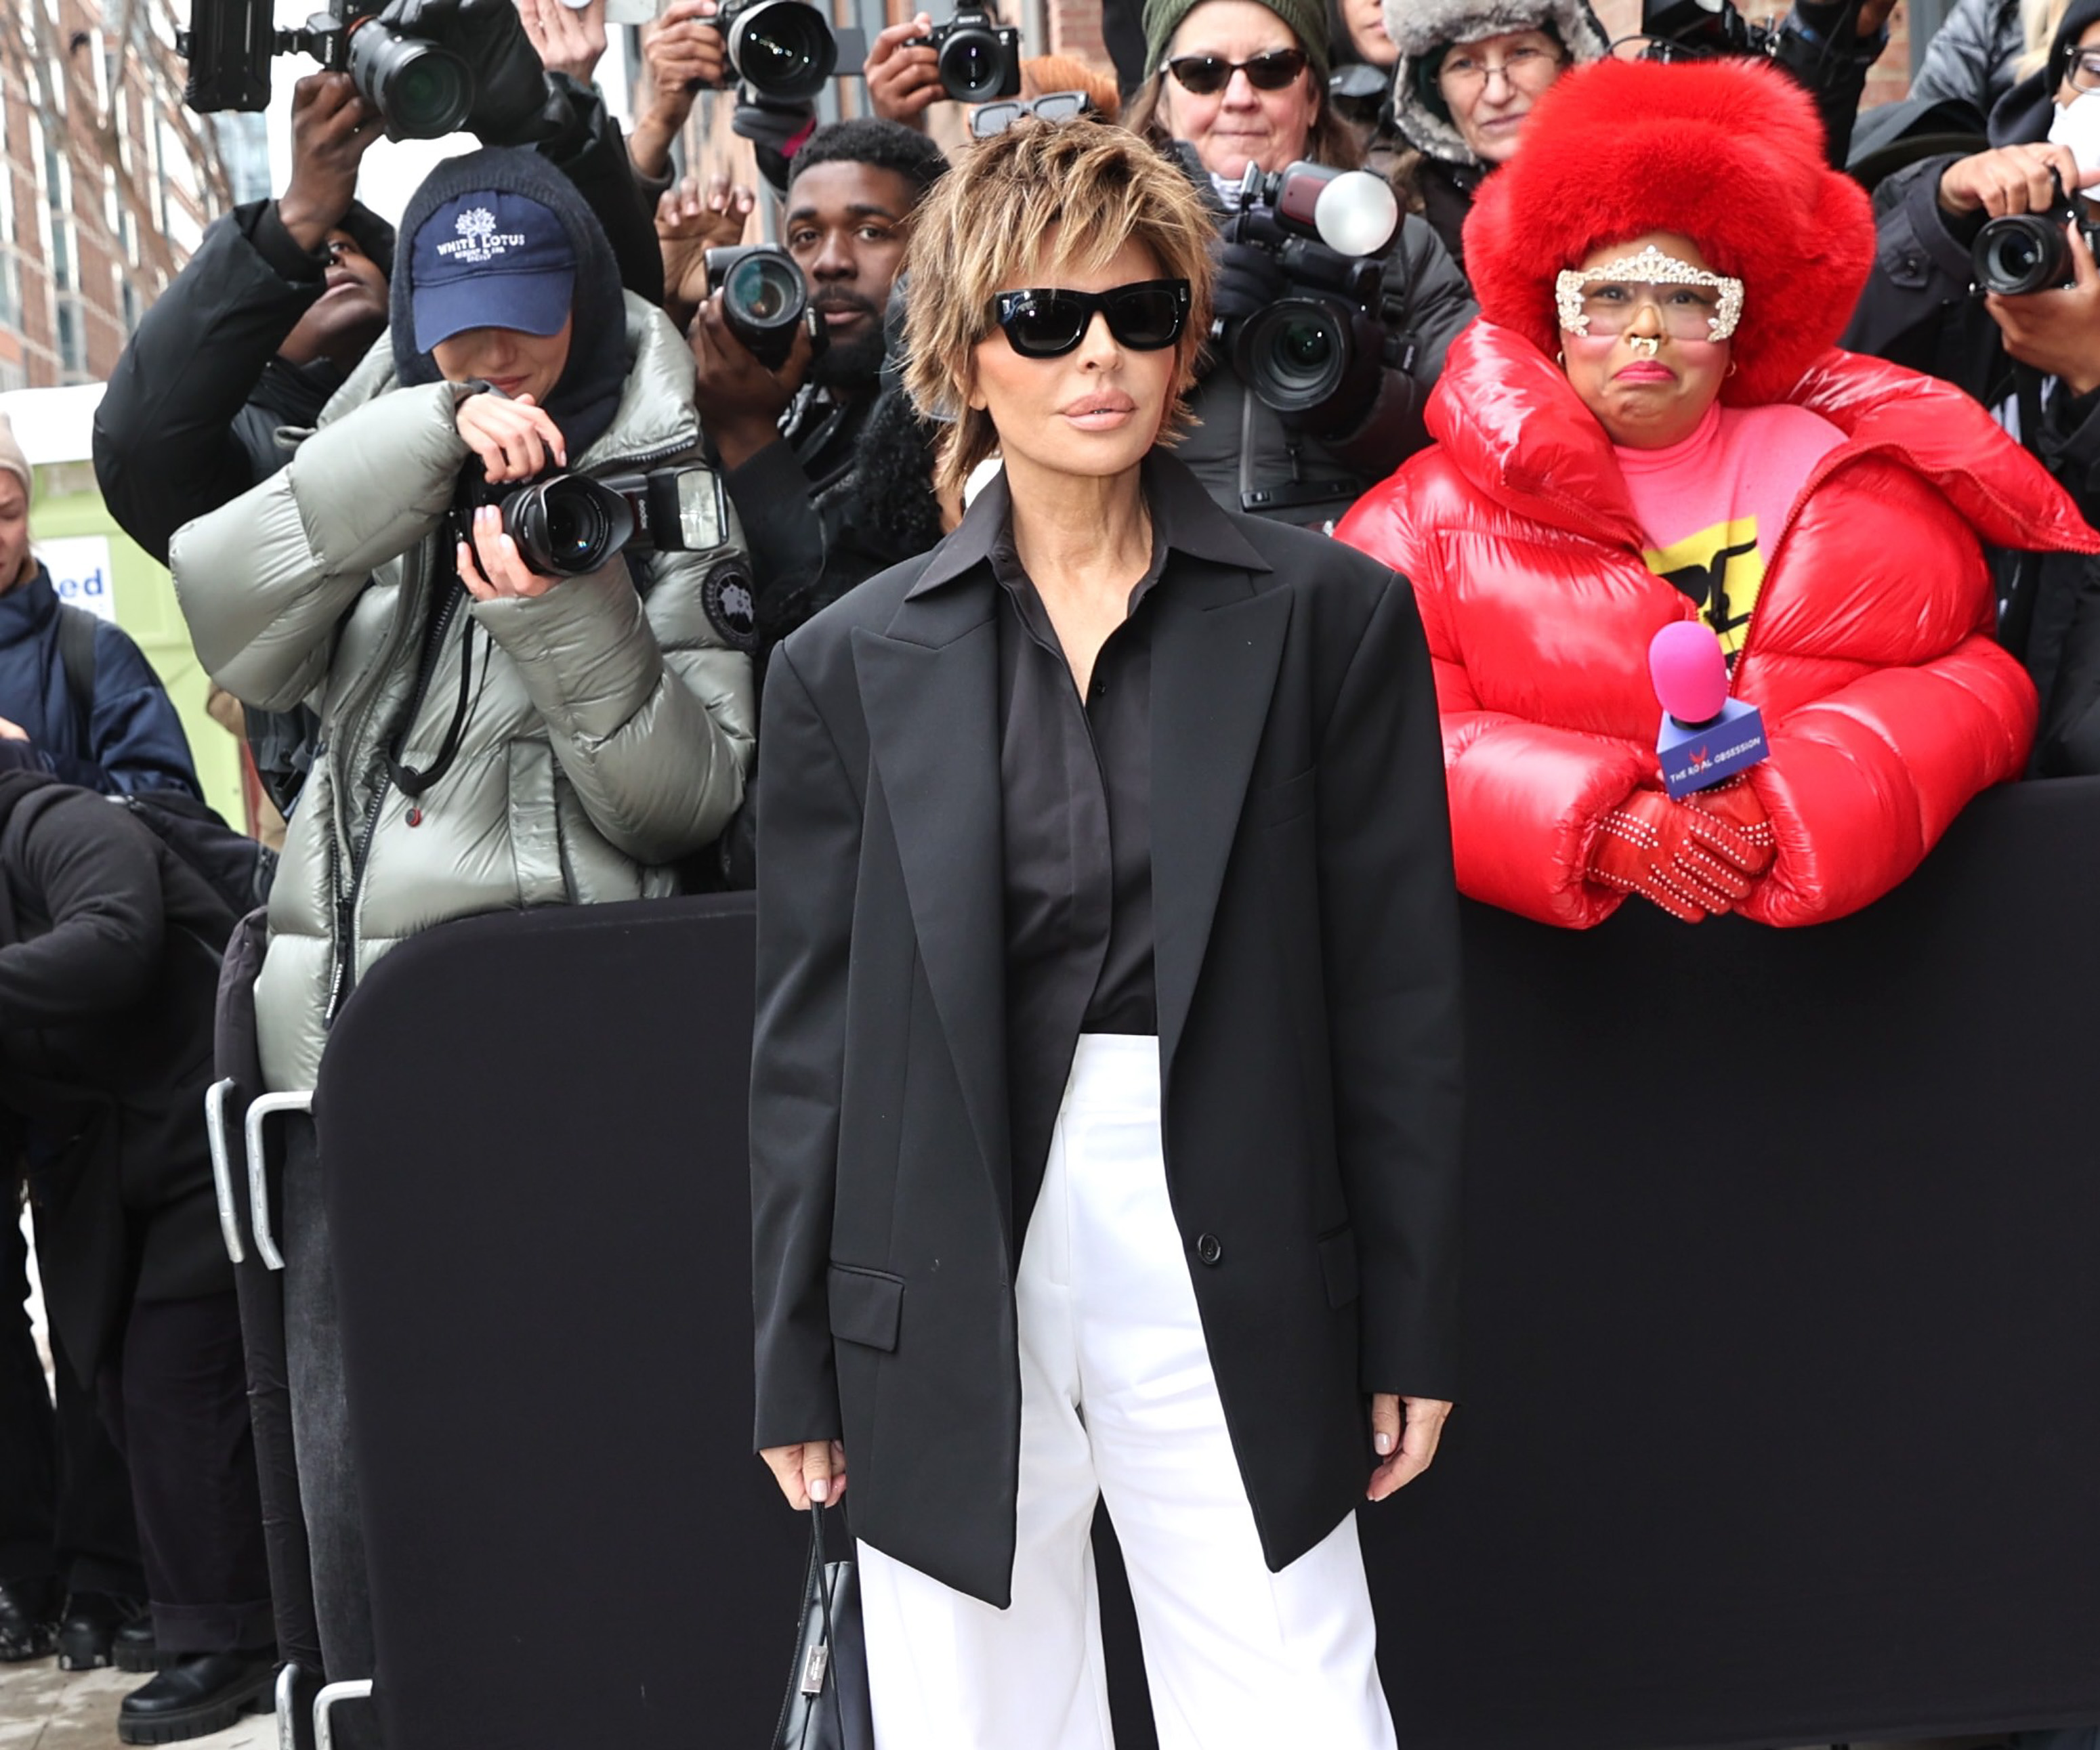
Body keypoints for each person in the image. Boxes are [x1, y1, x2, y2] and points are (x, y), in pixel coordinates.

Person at [751, 116, 1463, 1750]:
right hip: (940, 1244)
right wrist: (793, 1349)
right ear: (962, 355)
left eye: (1140, 315)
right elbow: (809, 1039)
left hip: (1234, 1225)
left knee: (1294, 1706)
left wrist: (1409, 1314)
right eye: (1043, 318)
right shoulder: (841, 665)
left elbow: (1395, 1001)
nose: (1098, 357)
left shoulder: (1327, 618)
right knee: (973, 1721)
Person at [169, 145, 755, 1747]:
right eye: (458, 324)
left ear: (586, 306)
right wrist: (420, 441)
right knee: (360, 1502)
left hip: (551, 1075)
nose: (493, 354)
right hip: (337, 1080)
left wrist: (565, 611)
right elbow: (226, 618)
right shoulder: (381, 437)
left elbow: (686, 798)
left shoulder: (660, 474)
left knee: (562, 1493)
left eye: (525, 320)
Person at [1336, 56, 2098, 930]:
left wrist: (1796, 797)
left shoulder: (1857, 480)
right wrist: (1592, 823)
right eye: (1607, 296)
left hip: (1831, 979)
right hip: (1559, 988)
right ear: (1555, 319)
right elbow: (1377, 733)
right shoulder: (1424, 518)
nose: (1645, 330)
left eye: (1687, 298)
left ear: (1740, 325)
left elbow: (1978, 690)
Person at [95, 3, 667, 817]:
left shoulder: (529, 386)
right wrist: (296, 216)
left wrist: (553, 119)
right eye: (309, 260)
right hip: (371, 821)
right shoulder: (255, 466)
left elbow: (614, 318)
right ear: (253, 326)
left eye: (347, 247)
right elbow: (139, 447)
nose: (331, 263)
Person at [0, 750, 273, 1742]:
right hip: (101, 1171)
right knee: (119, 1383)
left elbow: (114, 940)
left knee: (178, 1383)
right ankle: (209, 1607)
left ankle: (233, 1639)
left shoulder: (56, 823)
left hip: (197, 1130)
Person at [1844, 0, 2100, 759]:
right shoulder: (1998, 238)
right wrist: (1941, 217)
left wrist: (2091, 380)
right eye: (2094, 69)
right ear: (2056, 85)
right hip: (1949, 722)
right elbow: (1831, 373)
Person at [1116, 0, 1476, 528]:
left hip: (1347, 561)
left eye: (1272, 69)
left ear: (1312, 99)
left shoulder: (1398, 244)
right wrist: (1186, 330)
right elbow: (1051, 415)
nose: (1240, 98)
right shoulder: (1103, 244)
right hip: (1153, 558)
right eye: (1204, 73)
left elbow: (1478, 431)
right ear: (1163, 103)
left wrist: (1362, 402)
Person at [690, 119, 950, 664]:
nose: (831, 261)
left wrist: (747, 438)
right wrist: (675, 308)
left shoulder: (952, 419)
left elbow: (848, 627)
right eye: (806, 237)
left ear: (939, 250)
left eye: (871, 231)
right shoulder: (791, 393)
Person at [0, 417, 200, 802]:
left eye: (8, 514)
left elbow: (174, 805)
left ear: (28, 518)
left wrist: (35, 769)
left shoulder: (96, 652)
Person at [1383, 0, 1608, 273]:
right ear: (1436, 91)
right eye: (1464, 64)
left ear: (1571, 63)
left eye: (1522, 53)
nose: (1497, 94)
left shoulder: (1634, 186)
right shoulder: (1399, 223)